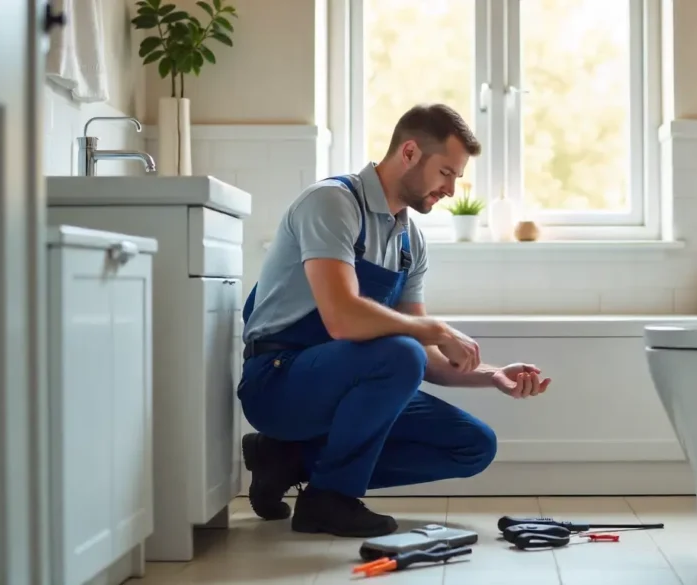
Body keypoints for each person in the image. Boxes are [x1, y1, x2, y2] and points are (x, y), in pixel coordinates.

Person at [236, 103, 552, 538]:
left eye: (456, 178)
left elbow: (422, 358)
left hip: (346, 384)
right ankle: (329, 499)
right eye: (445, 173)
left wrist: (493, 375)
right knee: (400, 350)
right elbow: (343, 318)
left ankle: (286, 461)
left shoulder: (409, 240)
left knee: (473, 446)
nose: (451, 190)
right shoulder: (331, 202)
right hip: (278, 383)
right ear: (408, 153)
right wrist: (437, 330)